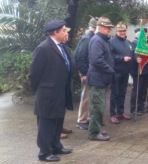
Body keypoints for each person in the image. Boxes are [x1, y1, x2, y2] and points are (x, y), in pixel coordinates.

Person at [29, 20, 74, 162]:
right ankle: (44, 152)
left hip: (61, 92)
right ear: (55, 32)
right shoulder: (43, 48)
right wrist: (41, 90)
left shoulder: (62, 46)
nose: (66, 33)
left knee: (58, 121)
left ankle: (56, 146)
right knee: (47, 123)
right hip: (47, 94)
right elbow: (33, 74)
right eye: (64, 31)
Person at [87, 16, 115, 141]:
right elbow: (97, 60)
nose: (110, 30)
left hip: (101, 79)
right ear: (101, 27)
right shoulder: (97, 40)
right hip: (97, 79)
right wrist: (110, 70)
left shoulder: (103, 40)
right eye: (108, 28)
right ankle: (93, 133)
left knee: (99, 106)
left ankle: (97, 129)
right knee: (97, 107)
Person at [74, 17, 97, 131]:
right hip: (86, 73)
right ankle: (81, 120)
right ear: (95, 27)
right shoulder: (87, 38)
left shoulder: (90, 37)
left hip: (89, 72)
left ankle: (86, 118)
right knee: (86, 96)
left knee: (89, 96)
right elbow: (79, 56)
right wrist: (83, 73)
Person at [109, 21, 132, 124]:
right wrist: (122, 58)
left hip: (125, 71)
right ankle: (112, 114)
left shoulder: (127, 42)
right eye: (120, 31)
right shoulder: (112, 42)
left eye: (124, 31)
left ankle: (120, 112)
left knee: (123, 93)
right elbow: (110, 57)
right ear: (116, 31)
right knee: (115, 93)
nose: (122, 32)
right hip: (116, 71)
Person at [130, 27, 148, 114]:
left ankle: (141, 107)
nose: (145, 35)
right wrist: (138, 58)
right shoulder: (134, 43)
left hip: (146, 70)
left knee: (144, 90)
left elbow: (146, 55)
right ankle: (134, 108)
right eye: (143, 34)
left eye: (145, 34)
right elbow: (135, 53)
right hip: (138, 70)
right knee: (137, 90)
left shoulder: (145, 43)